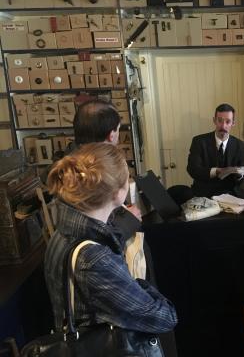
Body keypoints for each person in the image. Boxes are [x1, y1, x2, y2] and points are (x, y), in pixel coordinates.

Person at [44, 143, 178, 338]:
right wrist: (139, 283)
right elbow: (164, 318)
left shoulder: (65, 230)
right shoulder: (94, 258)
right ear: (118, 193)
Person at [187, 103, 244, 198]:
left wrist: (239, 175)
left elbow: (241, 179)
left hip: (230, 194)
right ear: (214, 120)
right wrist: (216, 171)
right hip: (204, 193)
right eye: (220, 120)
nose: (223, 126)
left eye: (228, 122)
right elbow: (193, 170)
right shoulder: (199, 141)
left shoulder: (240, 145)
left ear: (233, 123)